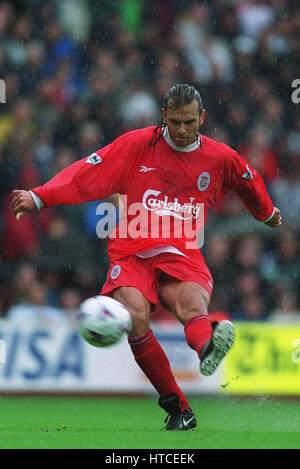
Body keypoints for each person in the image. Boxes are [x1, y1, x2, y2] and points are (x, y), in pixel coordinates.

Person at [10, 83, 282, 431]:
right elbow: (87, 172)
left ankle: (207, 344)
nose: (182, 131)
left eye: (189, 122)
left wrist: (266, 212)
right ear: (163, 117)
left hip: (182, 250)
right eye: (175, 123)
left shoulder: (220, 157)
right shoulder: (138, 144)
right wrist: (40, 196)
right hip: (132, 250)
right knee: (136, 316)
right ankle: (178, 407)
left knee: (192, 307)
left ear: (202, 118)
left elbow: (250, 180)